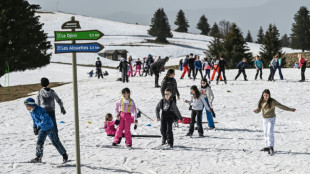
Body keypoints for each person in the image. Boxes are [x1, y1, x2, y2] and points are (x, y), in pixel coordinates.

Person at [24, 98, 68, 163]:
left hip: (49, 127)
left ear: (31, 105)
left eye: (27, 106)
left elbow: (45, 119)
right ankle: (38, 157)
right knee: (39, 142)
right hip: (42, 128)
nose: (26, 107)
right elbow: (34, 120)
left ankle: (64, 155)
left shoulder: (39, 110)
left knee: (55, 142)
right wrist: (34, 127)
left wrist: (39, 126)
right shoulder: (31, 111)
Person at [253, 89, 296, 155]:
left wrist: (290, 109)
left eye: (266, 95)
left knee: (270, 132)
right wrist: (256, 111)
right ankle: (267, 146)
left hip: (271, 118)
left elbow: (281, 106)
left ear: (269, 95)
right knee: (265, 132)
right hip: (265, 119)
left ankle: (271, 146)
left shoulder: (272, 101)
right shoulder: (261, 101)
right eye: (264, 95)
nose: (265, 97)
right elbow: (259, 109)